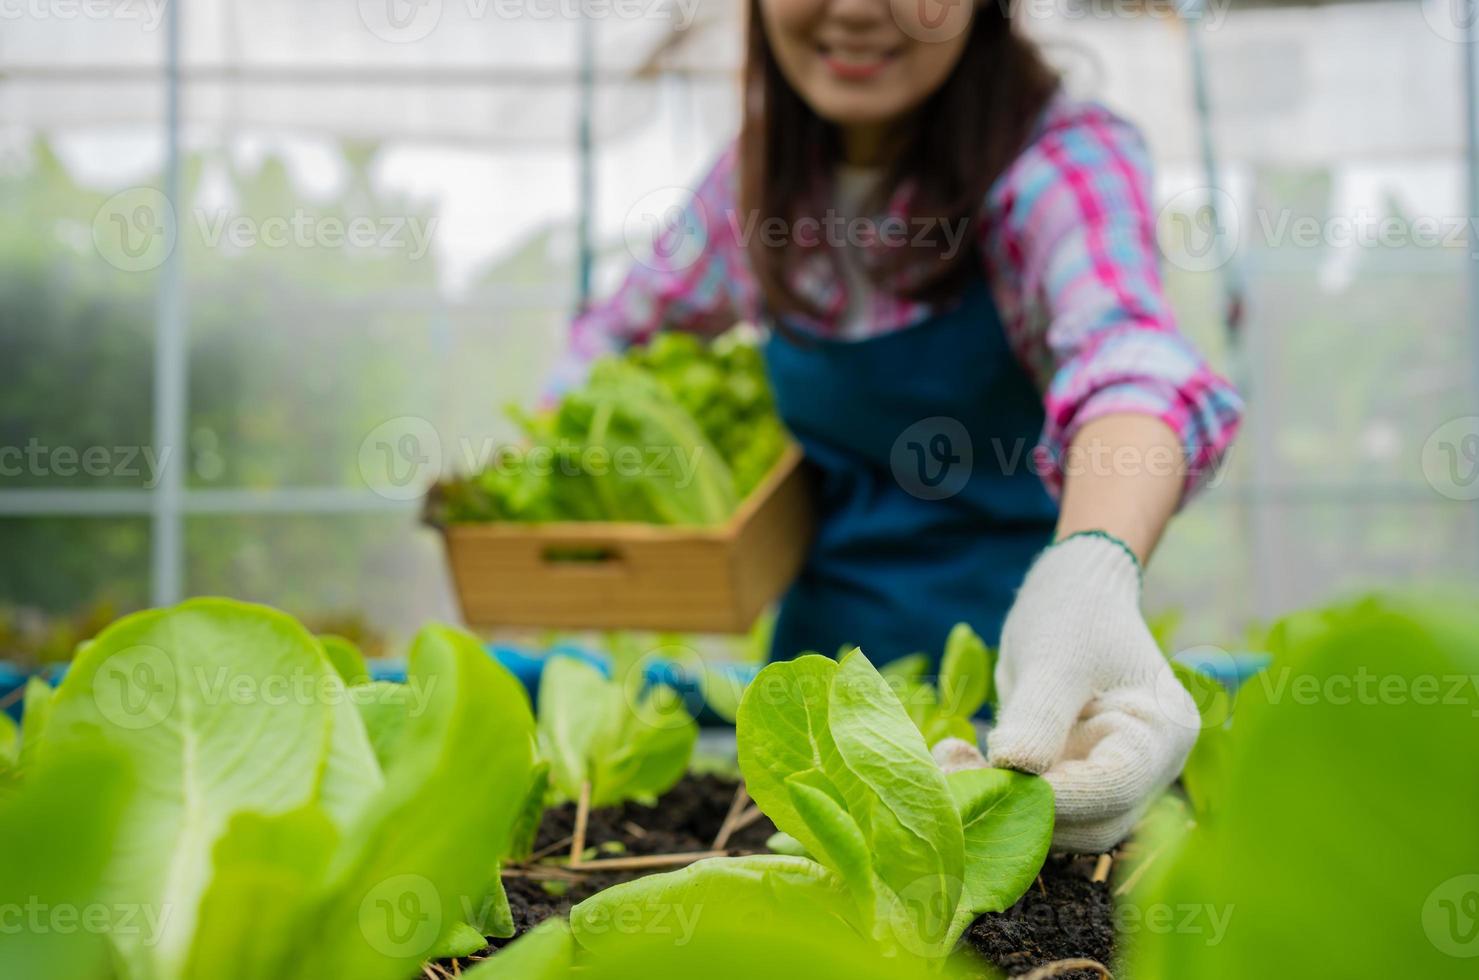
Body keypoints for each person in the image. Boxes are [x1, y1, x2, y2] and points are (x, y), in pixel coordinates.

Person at [554, 0, 1243, 851]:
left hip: (1022, 704)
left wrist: (1090, 568)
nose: (852, 10)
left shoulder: (1057, 162)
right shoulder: (760, 183)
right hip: (815, 710)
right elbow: (613, 336)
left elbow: (1129, 356)